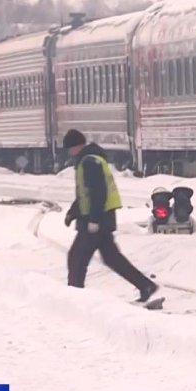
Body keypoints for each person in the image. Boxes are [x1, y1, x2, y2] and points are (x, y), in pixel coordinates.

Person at [61, 129, 159, 302]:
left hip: (96, 219)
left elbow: (98, 193)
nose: (69, 153)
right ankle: (145, 285)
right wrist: (73, 213)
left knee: (77, 258)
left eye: (69, 148)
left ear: (75, 146)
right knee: (112, 258)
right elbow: (85, 194)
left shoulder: (89, 162)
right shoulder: (90, 159)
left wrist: (93, 220)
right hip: (100, 217)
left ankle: (74, 297)